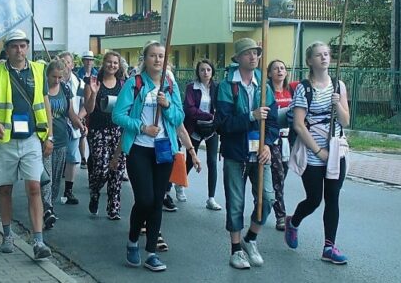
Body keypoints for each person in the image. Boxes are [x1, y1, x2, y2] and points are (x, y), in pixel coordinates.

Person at [112, 41, 184, 272]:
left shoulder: (171, 85)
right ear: (145, 58)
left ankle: (151, 252)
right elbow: (117, 115)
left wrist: (168, 105)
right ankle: (133, 240)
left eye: (161, 56)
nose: (157, 60)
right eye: (153, 56)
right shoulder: (135, 83)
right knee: (145, 199)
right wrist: (142, 127)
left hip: (163, 149)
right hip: (139, 149)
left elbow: (179, 117)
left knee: (157, 202)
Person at [0, 30, 53, 260]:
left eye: (23, 45)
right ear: (7, 49)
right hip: (6, 139)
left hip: (32, 138)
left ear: (27, 47)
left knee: (34, 187)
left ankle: (38, 241)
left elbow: (45, 104)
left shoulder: (38, 70)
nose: (19, 50)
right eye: (14, 46)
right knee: (5, 188)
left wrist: (49, 136)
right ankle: (7, 235)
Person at [215, 38, 278, 269]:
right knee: (235, 203)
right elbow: (222, 124)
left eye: (256, 53)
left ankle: (250, 238)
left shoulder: (264, 86)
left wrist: (268, 144)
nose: (254, 57)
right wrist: (250, 116)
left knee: (268, 198)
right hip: (235, 153)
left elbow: (272, 120)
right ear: (238, 58)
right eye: (248, 53)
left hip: (260, 153)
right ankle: (236, 250)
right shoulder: (226, 86)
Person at [285, 41, 350, 264]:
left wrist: (337, 104)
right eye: (318, 55)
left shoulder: (338, 86)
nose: (324, 58)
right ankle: (293, 222)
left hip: (335, 150)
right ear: (310, 61)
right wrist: (318, 151)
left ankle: (329, 247)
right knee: (314, 199)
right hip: (313, 151)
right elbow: (299, 125)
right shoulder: (304, 88)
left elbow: (346, 120)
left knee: (333, 198)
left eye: (326, 54)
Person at [41, 59, 84, 229]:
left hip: (61, 138)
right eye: (54, 77)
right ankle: (47, 209)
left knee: (57, 178)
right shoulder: (41, 89)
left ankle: (49, 206)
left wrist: (79, 124)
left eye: (60, 77)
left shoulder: (65, 89)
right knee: (46, 176)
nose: (57, 80)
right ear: (47, 75)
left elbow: (70, 112)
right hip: (44, 139)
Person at [84, 51, 126, 220]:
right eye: (109, 62)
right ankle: (95, 192)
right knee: (101, 168)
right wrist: (94, 93)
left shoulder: (123, 84)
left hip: (117, 130)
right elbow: (88, 109)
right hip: (98, 130)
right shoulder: (93, 81)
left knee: (117, 170)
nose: (112, 65)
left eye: (115, 63)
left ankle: (113, 208)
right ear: (104, 63)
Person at [181, 59, 222, 211]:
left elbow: (221, 106)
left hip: (212, 130)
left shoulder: (217, 87)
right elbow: (189, 109)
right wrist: (208, 116)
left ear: (212, 72)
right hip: (194, 127)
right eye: (202, 70)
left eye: (208, 70)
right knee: (191, 160)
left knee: (212, 162)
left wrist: (215, 120)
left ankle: (211, 198)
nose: (205, 73)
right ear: (198, 72)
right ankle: (178, 184)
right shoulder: (192, 87)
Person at [267, 59, 298, 230]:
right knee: (277, 176)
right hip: (273, 140)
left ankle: (265, 203)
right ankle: (281, 216)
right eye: (275, 68)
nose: (279, 71)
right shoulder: (267, 92)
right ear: (269, 73)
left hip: (289, 140)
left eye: (282, 68)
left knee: (281, 178)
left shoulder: (292, 89)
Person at [57, 52, 87, 205]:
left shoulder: (79, 83)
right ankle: (50, 188)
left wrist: (80, 118)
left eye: (68, 62)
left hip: (73, 125)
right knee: (54, 158)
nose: (66, 65)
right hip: (57, 125)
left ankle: (68, 190)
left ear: (72, 65)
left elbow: (85, 104)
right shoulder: (54, 81)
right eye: (62, 62)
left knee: (72, 158)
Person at [77, 50, 98, 169]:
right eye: (86, 59)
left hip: (92, 107)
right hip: (80, 107)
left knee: (90, 134)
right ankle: (83, 158)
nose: (89, 62)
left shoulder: (97, 74)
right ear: (83, 61)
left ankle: (91, 157)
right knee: (82, 134)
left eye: (90, 59)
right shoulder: (77, 74)